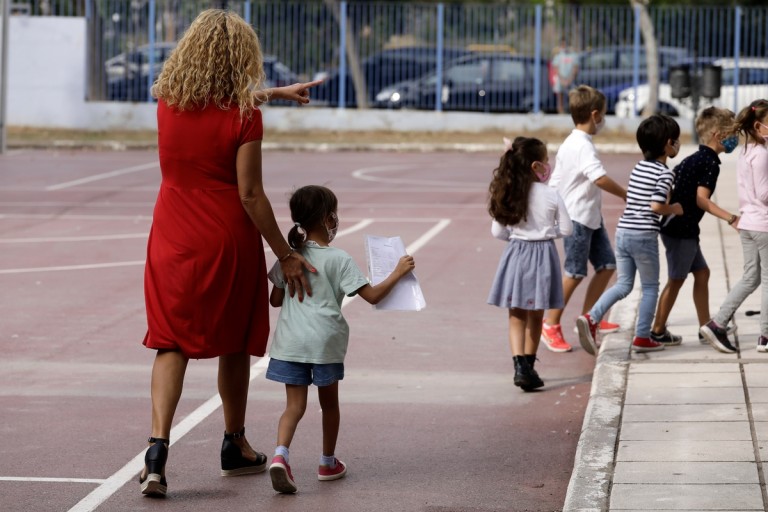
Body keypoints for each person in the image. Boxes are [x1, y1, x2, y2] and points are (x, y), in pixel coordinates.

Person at [139, 9, 321, 497]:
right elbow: (250, 195)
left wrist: (275, 95)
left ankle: (156, 451)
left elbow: (209, 106)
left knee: (169, 340)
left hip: (171, 235)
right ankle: (233, 443)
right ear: (241, 55)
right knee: (234, 340)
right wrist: (284, 253)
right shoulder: (244, 115)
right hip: (225, 237)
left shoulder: (166, 101)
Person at [265, 185, 416, 494]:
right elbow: (372, 295)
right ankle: (327, 463)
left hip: (290, 342)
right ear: (327, 218)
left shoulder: (288, 258)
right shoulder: (339, 258)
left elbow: (275, 300)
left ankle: (281, 456)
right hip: (325, 343)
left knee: (293, 406)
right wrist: (398, 272)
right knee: (329, 405)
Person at [577, 114, 683, 356]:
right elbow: (656, 206)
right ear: (668, 144)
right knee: (650, 287)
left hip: (623, 232)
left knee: (624, 284)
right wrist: (674, 209)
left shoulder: (638, 167)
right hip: (644, 235)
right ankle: (643, 337)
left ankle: (591, 317)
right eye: (675, 140)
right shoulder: (665, 174)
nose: (677, 145)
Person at [542, 85, 627, 353]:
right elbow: (598, 177)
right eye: (602, 114)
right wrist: (627, 194)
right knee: (575, 272)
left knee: (607, 265)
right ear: (593, 115)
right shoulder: (580, 145)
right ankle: (550, 324)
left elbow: (556, 179)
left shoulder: (574, 143)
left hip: (591, 217)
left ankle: (590, 318)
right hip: (577, 219)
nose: (603, 119)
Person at [487, 137, 573, 391]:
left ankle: (519, 367)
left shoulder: (510, 193)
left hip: (516, 254)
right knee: (536, 314)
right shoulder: (551, 194)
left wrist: (518, 236)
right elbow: (566, 229)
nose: (549, 165)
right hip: (543, 254)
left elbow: (497, 232)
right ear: (537, 165)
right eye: (547, 161)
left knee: (516, 314)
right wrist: (546, 233)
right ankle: (529, 365)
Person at [651, 107, 739, 346]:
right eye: (733, 133)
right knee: (676, 279)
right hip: (681, 231)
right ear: (718, 135)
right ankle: (657, 330)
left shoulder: (693, 159)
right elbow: (702, 199)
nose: (736, 139)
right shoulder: (710, 164)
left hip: (679, 228)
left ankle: (706, 327)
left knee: (702, 273)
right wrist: (731, 218)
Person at [700, 99, 768, 354]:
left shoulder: (748, 151)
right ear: (759, 126)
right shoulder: (761, 155)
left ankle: (718, 323)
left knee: (751, 278)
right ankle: (765, 336)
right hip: (763, 225)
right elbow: (763, 194)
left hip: (749, 224)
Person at [551, 40, 579, 114]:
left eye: (565, 45)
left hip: (571, 79)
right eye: (562, 45)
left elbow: (575, 68)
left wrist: (570, 79)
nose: (564, 47)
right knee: (560, 95)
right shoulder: (558, 56)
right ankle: (561, 111)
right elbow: (555, 68)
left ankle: (572, 110)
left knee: (573, 95)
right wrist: (562, 79)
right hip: (561, 79)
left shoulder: (574, 56)